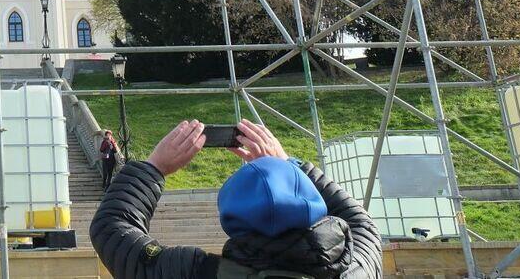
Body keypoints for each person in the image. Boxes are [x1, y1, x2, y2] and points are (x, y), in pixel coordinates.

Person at [91, 119, 382, 279]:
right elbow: (361, 222)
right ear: (311, 201)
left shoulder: (195, 271)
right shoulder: (355, 269)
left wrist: (154, 167)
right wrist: (288, 164)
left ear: (231, 217)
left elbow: (112, 229)